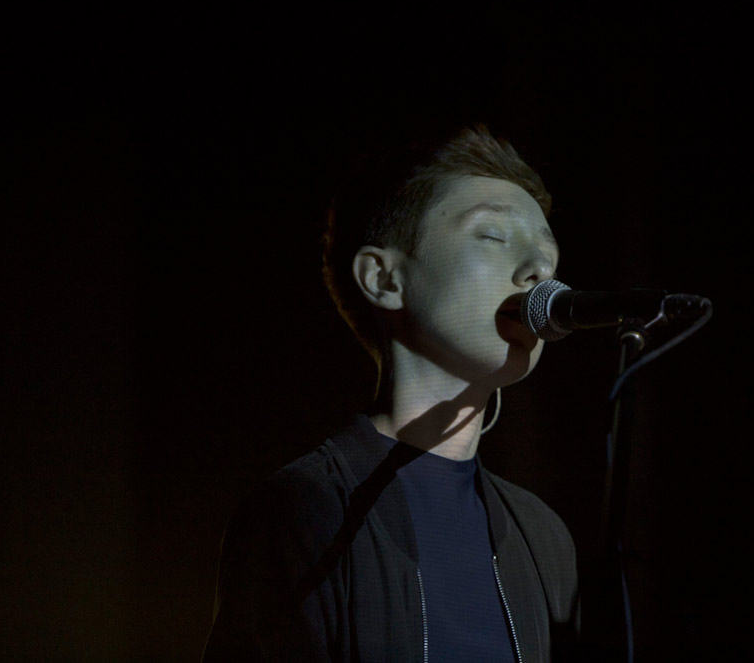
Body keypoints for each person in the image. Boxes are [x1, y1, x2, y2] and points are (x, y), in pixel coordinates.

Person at [202, 124, 580, 661]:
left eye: (548, 256)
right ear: (383, 279)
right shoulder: (306, 511)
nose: (539, 270)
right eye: (493, 236)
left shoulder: (543, 537)